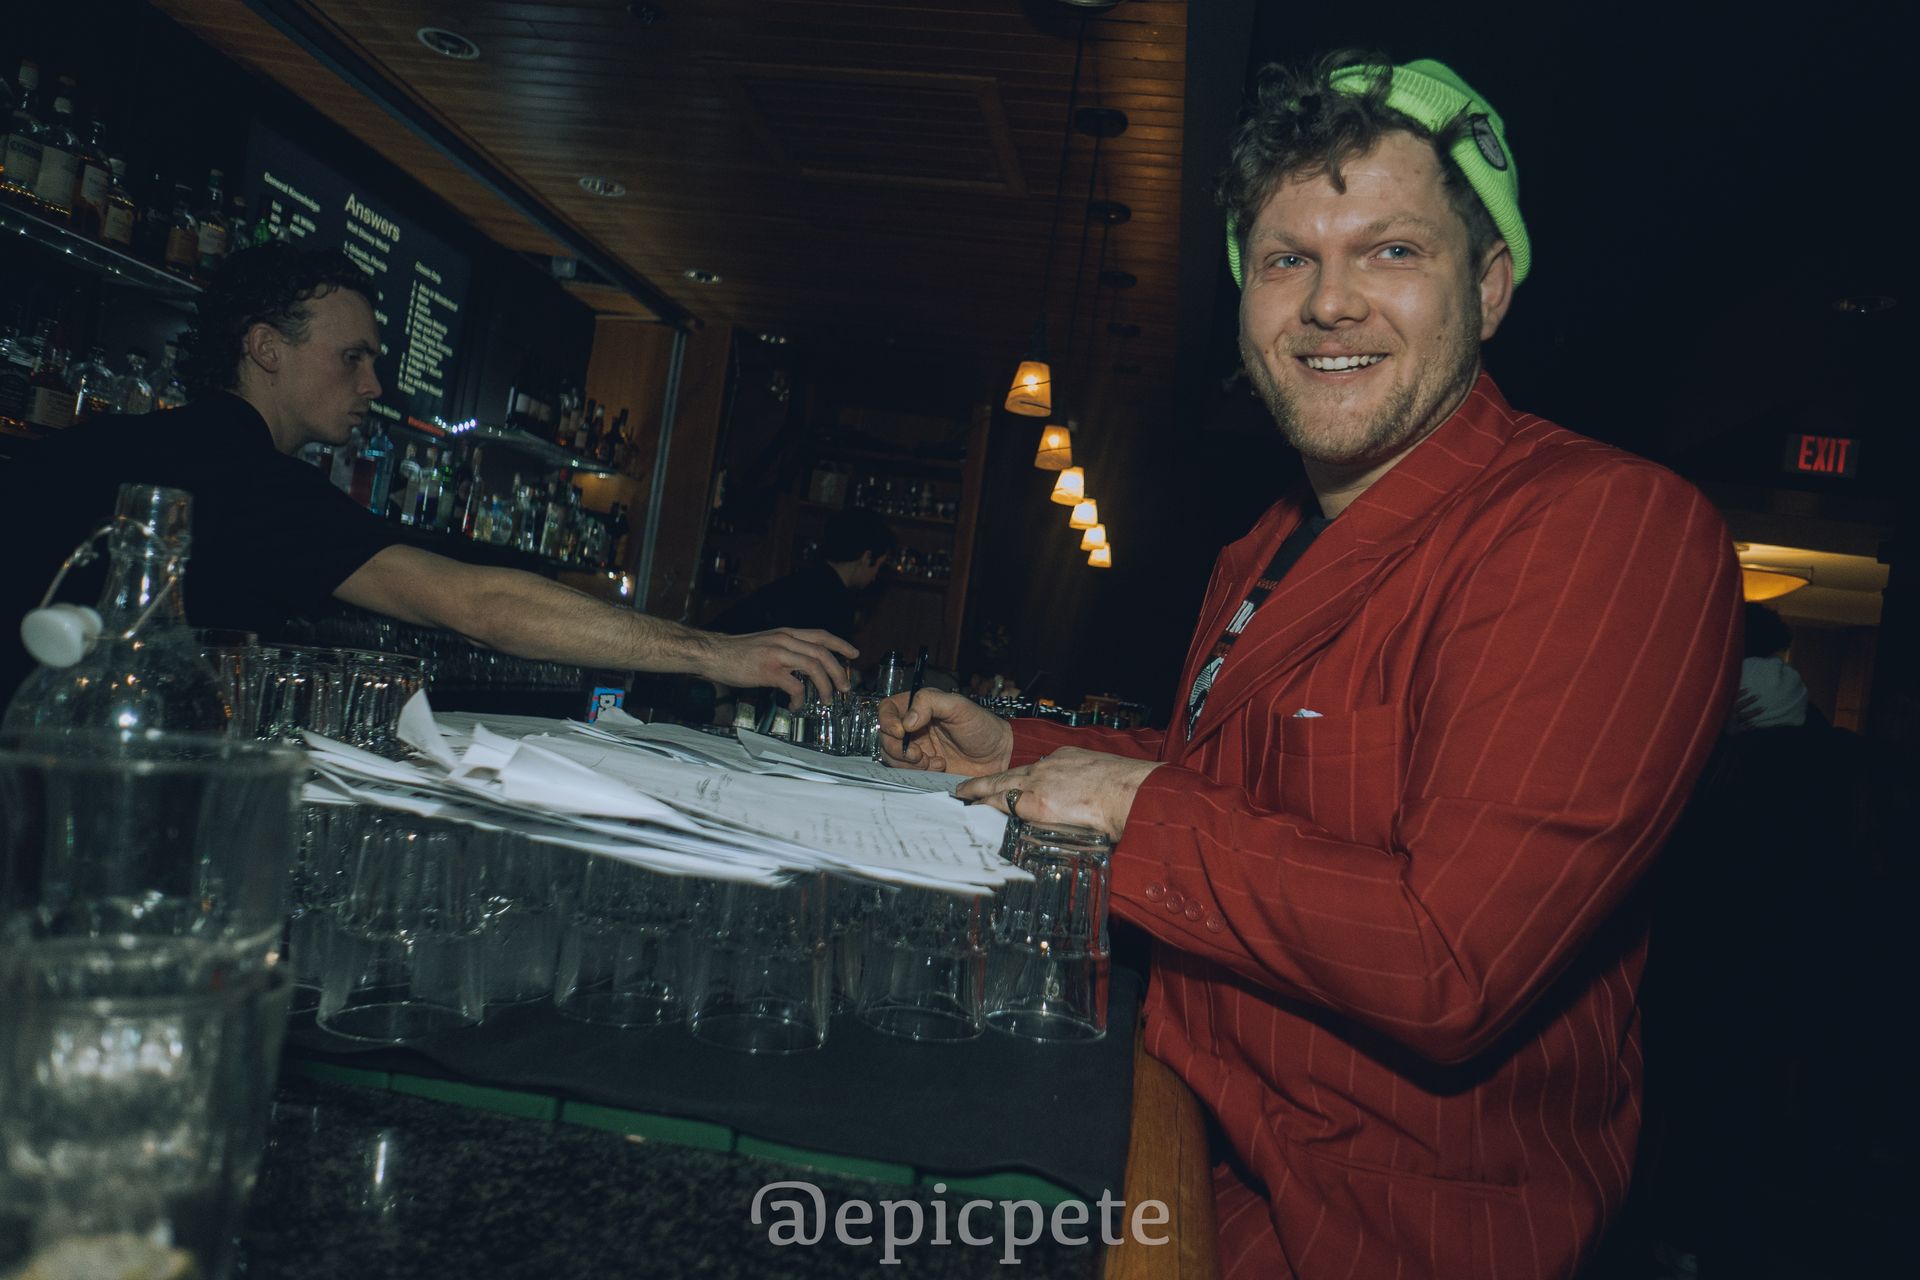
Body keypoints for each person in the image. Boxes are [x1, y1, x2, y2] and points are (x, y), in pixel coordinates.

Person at [880, 54, 1740, 1279]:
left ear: (1489, 286)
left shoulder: (1608, 526)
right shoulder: (1268, 543)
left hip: (1372, 1235)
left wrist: (1131, 805)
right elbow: (1236, 783)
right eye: (1287, 259)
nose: (1331, 303)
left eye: (1392, 250)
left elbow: (1449, 958)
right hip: (1185, 1127)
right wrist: (1020, 745)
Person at [0, 244, 854, 706]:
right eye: (353, 357)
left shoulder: (132, 444)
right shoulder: (238, 473)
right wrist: (711, 652)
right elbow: (479, 605)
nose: (374, 384)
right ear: (265, 348)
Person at [707, 507, 895, 645]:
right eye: (879, 565)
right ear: (866, 557)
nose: (875, 576)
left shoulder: (803, 580)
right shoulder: (834, 600)